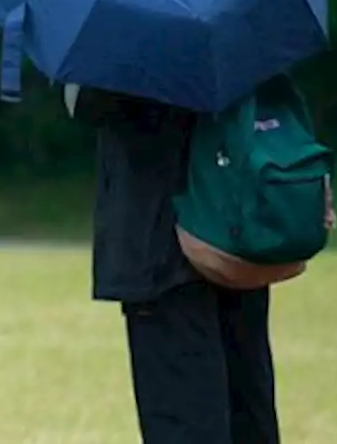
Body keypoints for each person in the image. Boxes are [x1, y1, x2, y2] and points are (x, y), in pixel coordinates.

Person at [65, 84, 280, 443]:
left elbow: (88, 102)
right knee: (248, 411)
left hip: (160, 244)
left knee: (183, 421)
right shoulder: (237, 33)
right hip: (236, 235)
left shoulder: (131, 32)